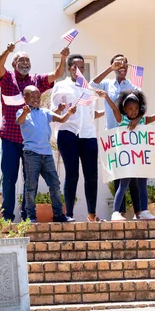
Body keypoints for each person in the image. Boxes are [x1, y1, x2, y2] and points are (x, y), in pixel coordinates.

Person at [0, 41, 69, 221]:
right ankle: (7, 217)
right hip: (11, 138)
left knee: (31, 181)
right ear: (14, 64)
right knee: (9, 179)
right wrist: (8, 51)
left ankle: (28, 215)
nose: (25, 63)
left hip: (32, 143)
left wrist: (63, 57)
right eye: (21, 60)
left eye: (28, 60)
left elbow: (58, 74)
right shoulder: (7, 79)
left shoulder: (35, 81)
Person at [96, 89, 155, 221]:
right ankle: (116, 212)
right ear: (125, 109)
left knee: (142, 185)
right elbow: (114, 109)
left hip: (140, 161)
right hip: (127, 161)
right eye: (130, 109)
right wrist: (105, 96)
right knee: (123, 185)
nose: (133, 111)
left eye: (136, 108)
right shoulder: (121, 120)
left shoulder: (143, 121)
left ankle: (144, 211)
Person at [51, 54, 105, 222]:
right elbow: (54, 111)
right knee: (72, 174)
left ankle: (91, 214)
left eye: (81, 67)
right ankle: (69, 214)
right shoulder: (60, 86)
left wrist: (109, 112)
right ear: (69, 69)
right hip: (68, 133)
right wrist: (63, 111)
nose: (78, 70)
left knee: (92, 176)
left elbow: (91, 114)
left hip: (88, 134)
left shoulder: (88, 89)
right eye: (74, 67)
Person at [90, 54, 142, 218]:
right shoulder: (107, 84)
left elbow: (143, 108)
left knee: (131, 172)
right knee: (116, 173)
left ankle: (138, 211)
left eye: (125, 63)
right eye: (118, 63)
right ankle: (120, 211)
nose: (122, 66)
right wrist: (110, 68)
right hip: (111, 133)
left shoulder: (133, 86)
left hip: (128, 133)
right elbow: (91, 85)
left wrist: (138, 119)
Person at [17, 85, 76, 223]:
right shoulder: (22, 112)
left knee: (54, 184)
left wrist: (69, 113)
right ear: (25, 98)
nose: (36, 100)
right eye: (33, 97)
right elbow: (19, 121)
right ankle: (30, 216)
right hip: (31, 154)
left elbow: (60, 119)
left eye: (38, 97)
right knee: (31, 186)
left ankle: (58, 215)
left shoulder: (44, 112)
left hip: (47, 154)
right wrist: (25, 113)